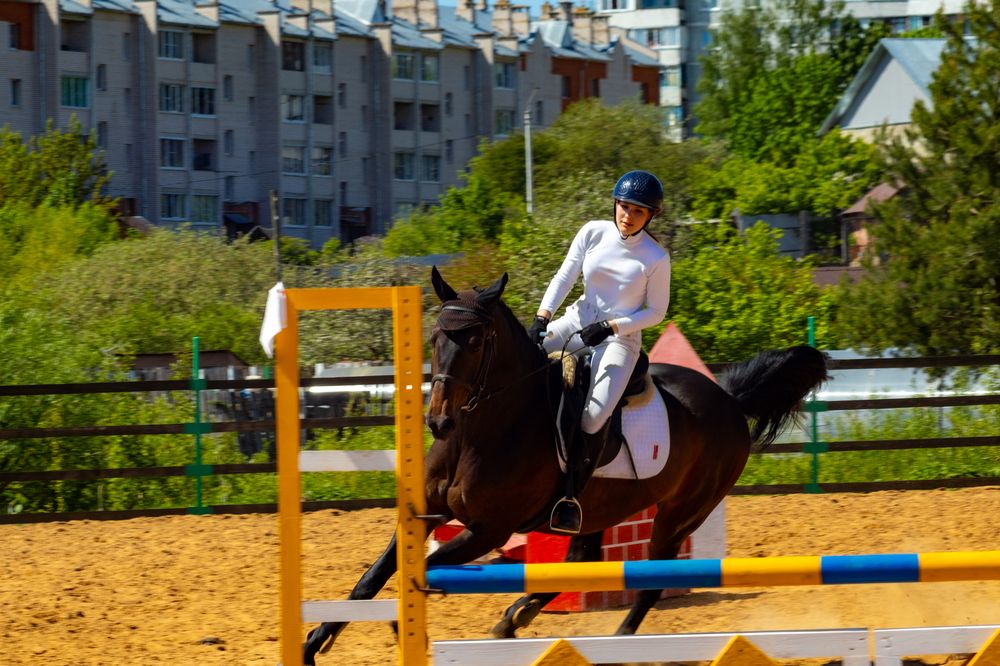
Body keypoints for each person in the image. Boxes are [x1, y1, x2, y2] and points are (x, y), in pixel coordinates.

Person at [527, 170, 671, 534]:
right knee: (524, 362)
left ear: (651, 215)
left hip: (620, 341)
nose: (627, 215)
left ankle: (571, 496)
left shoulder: (655, 258)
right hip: (578, 318)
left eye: (638, 211)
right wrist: (542, 317)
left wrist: (611, 327)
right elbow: (564, 276)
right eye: (623, 206)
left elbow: (655, 313)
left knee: (592, 417)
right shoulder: (592, 231)